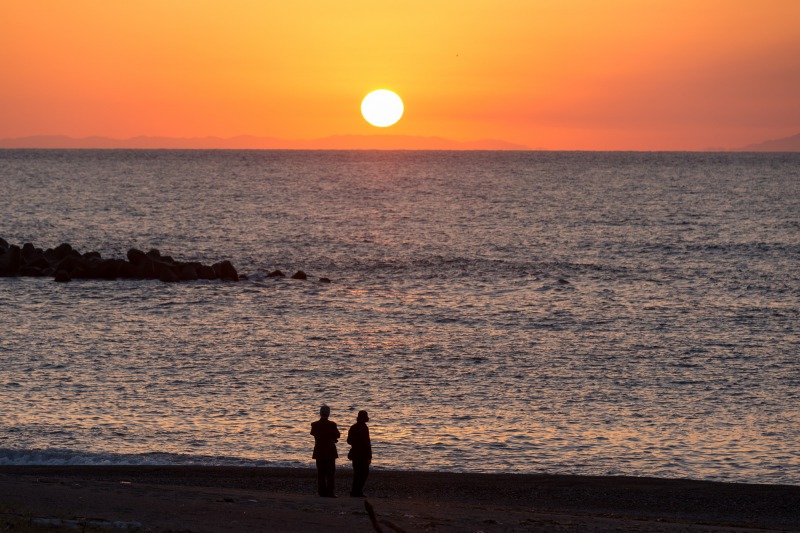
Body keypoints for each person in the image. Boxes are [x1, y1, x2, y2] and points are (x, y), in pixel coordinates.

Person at [311, 404, 340, 497]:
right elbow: (337, 435)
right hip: (330, 450)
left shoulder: (314, 424)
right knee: (330, 473)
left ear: (320, 413)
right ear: (328, 414)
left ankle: (321, 491)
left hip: (319, 450)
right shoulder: (332, 425)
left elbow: (315, 434)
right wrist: (333, 438)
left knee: (321, 472)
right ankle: (330, 492)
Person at [346, 410, 372, 497]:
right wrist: (369, 456)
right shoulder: (364, 428)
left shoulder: (353, 427)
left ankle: (354, 491)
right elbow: (367, 443)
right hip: (363, 454)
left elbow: (349, 441)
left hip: (355, 453)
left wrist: (355, 443)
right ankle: (358, 491)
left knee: (357, 473)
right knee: (364, 473)